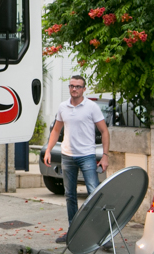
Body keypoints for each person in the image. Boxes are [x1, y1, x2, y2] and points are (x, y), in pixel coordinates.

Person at [43, 75, 109, 244]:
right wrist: (48, 150)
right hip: (67, 157)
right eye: (72, 86)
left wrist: (105, 156)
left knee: (94, 193)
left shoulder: (91, 107)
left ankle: (103, 236)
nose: (74, 89)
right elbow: (56, 130)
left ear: (84, 89)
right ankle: (73, 231)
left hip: (87, 156)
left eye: (78, 86)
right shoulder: (63, 107)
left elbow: (104, 131)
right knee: (70, 195)